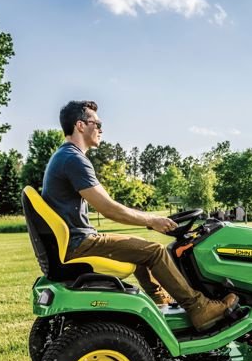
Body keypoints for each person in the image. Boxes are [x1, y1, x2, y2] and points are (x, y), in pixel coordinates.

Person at [41, 100, 237, 331]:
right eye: (98, 123)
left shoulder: (64, 156)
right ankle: (200, 308)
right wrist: (151, 220)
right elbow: (109, 208)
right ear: (80, 125)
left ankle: (161, 300)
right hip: (79, 243)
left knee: (141, 248)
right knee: (154, 252)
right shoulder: (73, 159)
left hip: (74, 241)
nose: (101, 129)